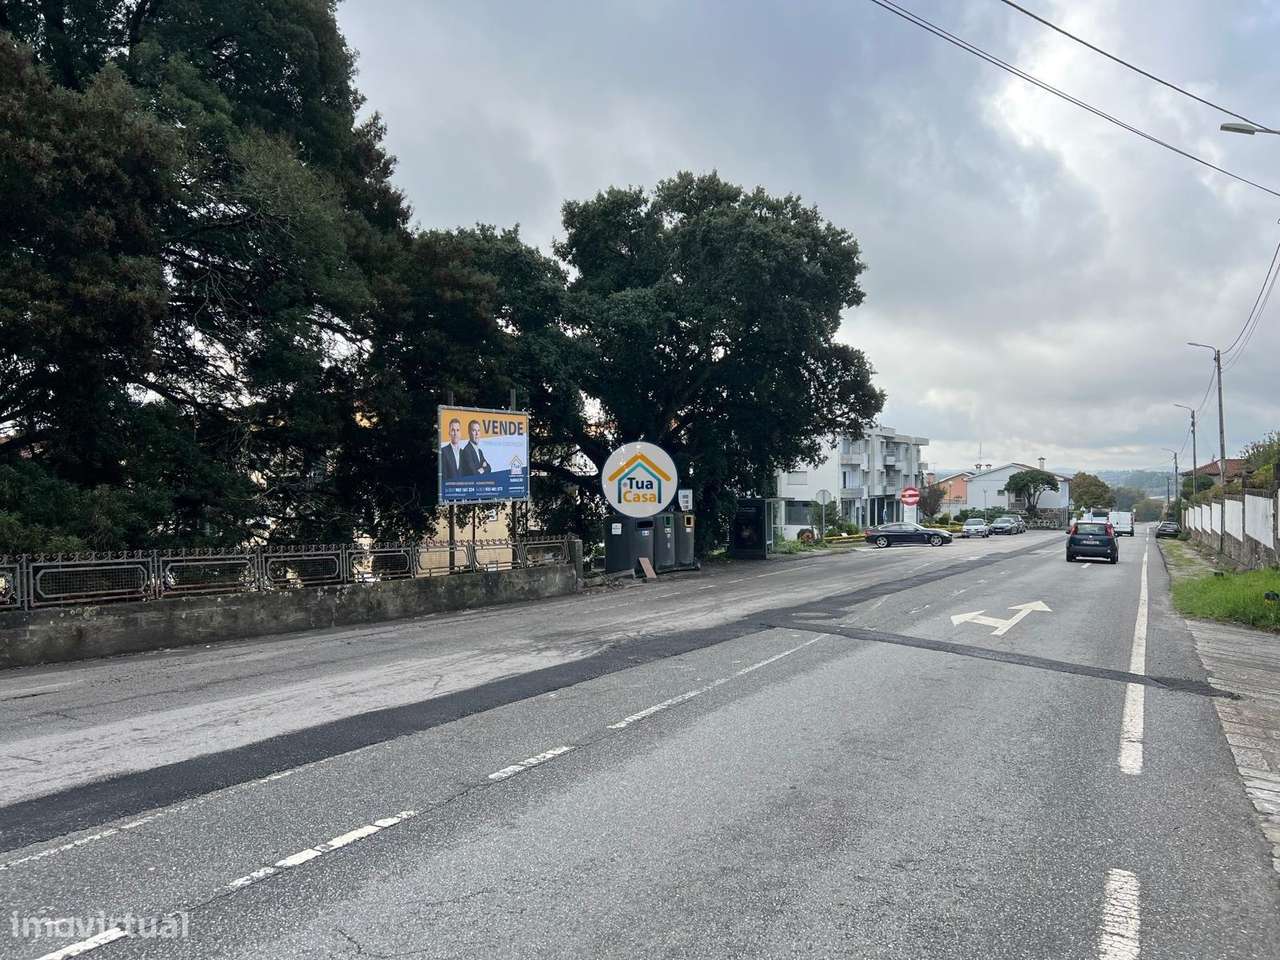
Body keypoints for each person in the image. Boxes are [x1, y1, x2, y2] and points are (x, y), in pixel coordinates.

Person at [440, 418, 464, 482]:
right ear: (449, 432)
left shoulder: (464, 453)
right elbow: (443, 477)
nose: (455, 433)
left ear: (460, 433)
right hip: (450, 489)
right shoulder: (443, 452)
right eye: (453, 430)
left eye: (457, 430)